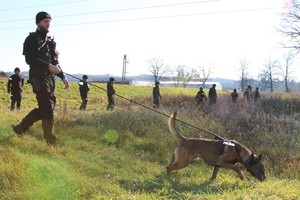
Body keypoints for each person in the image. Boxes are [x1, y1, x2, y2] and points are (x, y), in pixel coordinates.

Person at [13, 11, 69, 146]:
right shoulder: (31, 39)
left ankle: (21, 128)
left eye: (50, 21)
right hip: (37, 77)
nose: (48, 23)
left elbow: (56, 63)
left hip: (50, 79)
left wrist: (63, 76)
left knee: (46, 109)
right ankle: (51, 142)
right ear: (38, 23)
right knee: (48, 110)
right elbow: (29, 59)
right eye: (45, 21)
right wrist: (48, 66)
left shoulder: (51, 42)